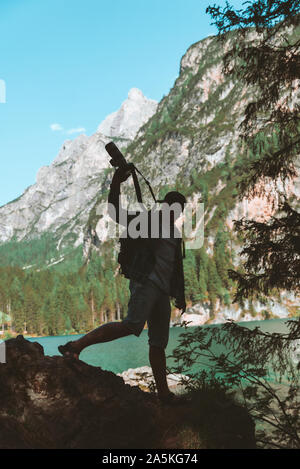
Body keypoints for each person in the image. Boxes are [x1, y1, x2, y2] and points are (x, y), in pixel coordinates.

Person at [58, 165, 186, 404]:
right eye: (172, 207)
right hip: (145, 284)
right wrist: (117, 180)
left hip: (163, 292)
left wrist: (181, 294)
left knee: (158, 343)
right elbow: (114, 211)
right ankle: (75, 345)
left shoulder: (176, 233)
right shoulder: (148, 220)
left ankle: (164, 394)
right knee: (131, 326)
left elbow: (175, 267)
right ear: (164, 205)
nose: (175, 213)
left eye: (179, 210)